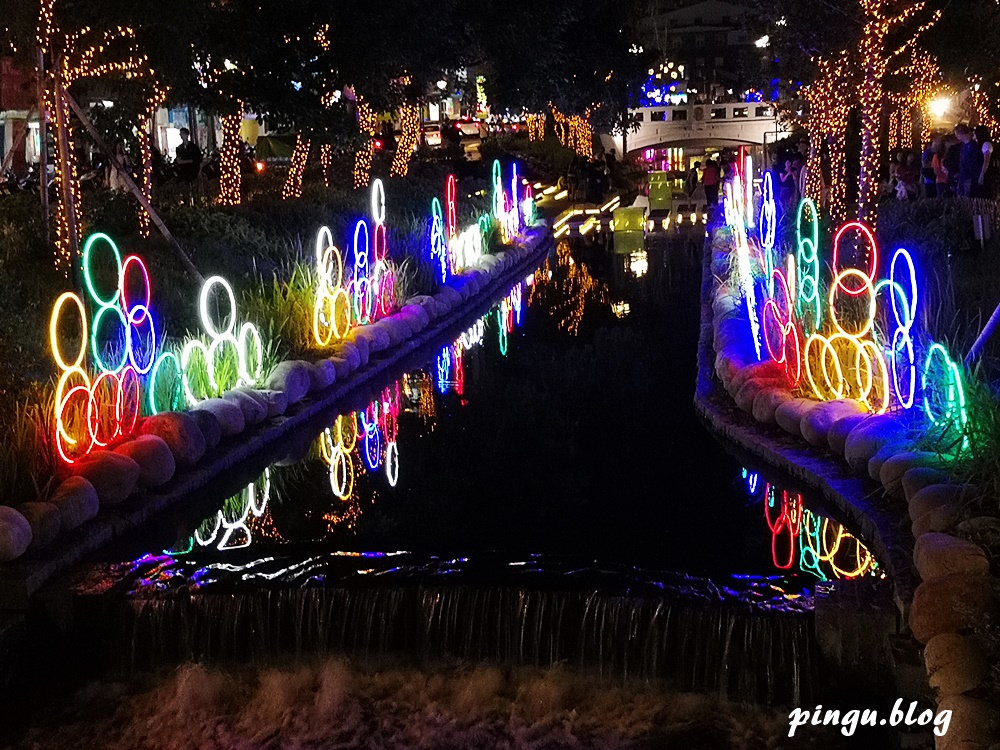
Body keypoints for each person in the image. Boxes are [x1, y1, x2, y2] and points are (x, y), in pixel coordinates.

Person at [955, 123, 981, 197]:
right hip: (963, 176)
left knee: (967, 197)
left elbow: (973, 162)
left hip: (969, 177)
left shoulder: (972, 146)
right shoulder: (964, 146)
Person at [973, 125, 994, 199]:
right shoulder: (978, 145)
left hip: (985, 175)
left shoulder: (986, 145)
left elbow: (986, 161)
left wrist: (982, 175)